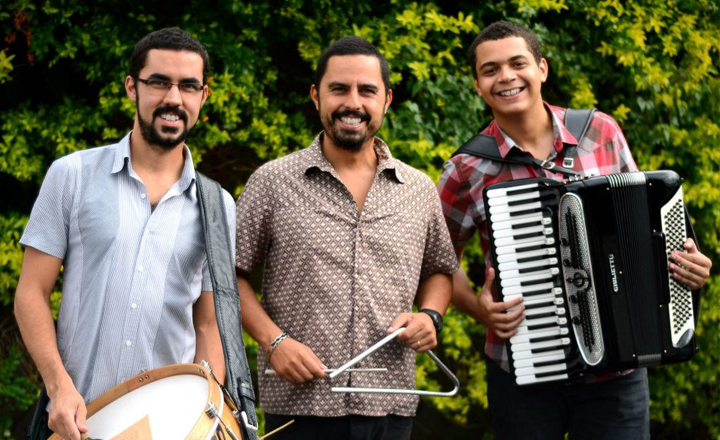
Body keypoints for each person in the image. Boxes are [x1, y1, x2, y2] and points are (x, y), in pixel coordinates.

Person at [437, 21, 712, 440]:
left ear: (542, 69)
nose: (506, 76)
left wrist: (687, 266)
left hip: (618, 371)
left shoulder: (601, 131)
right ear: (477, 85)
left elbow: (647, 225)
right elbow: (436, 261)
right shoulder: (467, 169)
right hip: (522, 376)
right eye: (490, 70)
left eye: (518, 63)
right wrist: (479, 308)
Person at [14, 28, 235, 440]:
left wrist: (203, 416)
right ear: (132, 87)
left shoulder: (218, 206)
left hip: (167, 429)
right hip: (75, 420)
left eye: (188, 86)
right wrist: (58, 387)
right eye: (159, 82)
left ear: (204, 96)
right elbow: (30, 293)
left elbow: (208, 327)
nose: (174, 98)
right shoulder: (72, 176)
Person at [235, 36, 459, 440]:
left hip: (389, 404)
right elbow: (228, 278)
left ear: (386, 100)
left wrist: (430, 316)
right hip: (299, 409)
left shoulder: (418, 189)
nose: (352, 102)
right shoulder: (272, 182)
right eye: (339, 88)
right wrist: (274, 341)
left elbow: (440, 270)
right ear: (315, 96)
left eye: (367, 91)